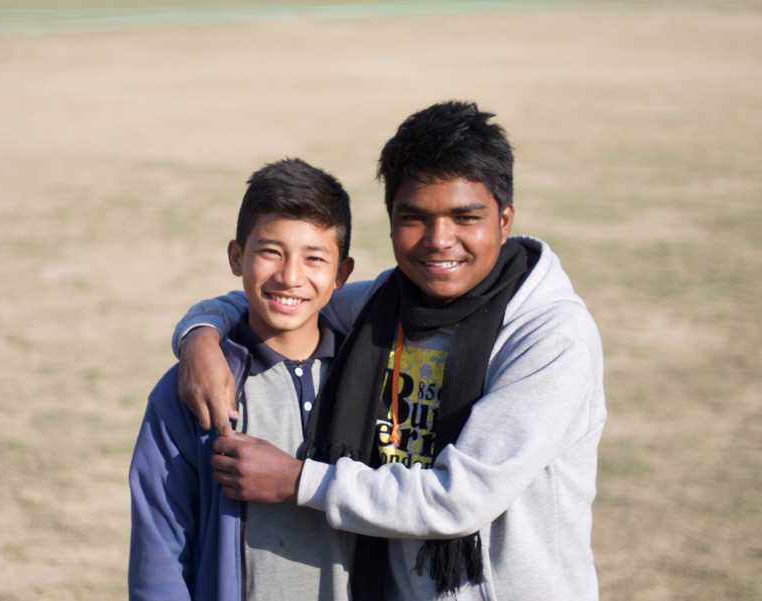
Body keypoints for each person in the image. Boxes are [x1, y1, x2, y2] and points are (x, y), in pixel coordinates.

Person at [173, 101, 607, 601]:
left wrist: (298, 481)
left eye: (465, 217)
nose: (439, 241)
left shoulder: (551, 335)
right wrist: (200, 335)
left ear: (505, 220)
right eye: (414, 218)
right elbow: (285, 298)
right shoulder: (381, 306)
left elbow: (458, 500)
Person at [128, 158, 356, 601]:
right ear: (237, 257)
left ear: (341, 275)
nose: (290, 276)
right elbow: (160, 544)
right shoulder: (194, 388)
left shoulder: (369, 374)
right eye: (270, 252)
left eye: (314, 258)